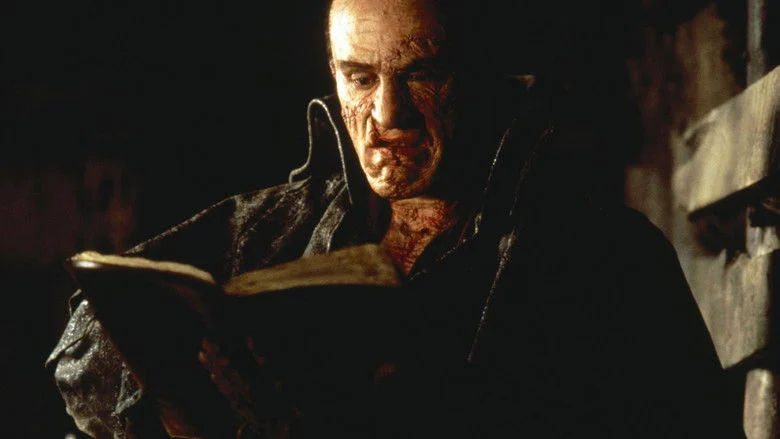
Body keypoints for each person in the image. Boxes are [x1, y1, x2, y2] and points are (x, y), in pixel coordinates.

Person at [48, 0, 745, 437]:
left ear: (482, 75)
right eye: (359, 77)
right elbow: (82, 351)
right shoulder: (274, 224)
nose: (387, 115)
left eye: (422, 74)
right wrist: (191, 408)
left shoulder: (603, 256)